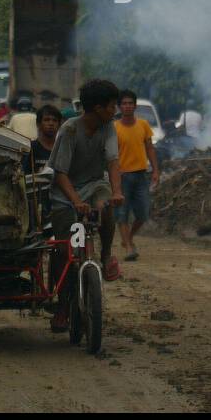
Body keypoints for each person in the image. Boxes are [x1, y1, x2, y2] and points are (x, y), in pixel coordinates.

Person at [47, 79, 125, 332]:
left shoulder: (108, 127)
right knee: (65, 252)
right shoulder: (69, 130)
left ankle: (105, 254)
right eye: (112, 106)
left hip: (94, 185)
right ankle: (62, 307)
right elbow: (60, 173)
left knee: (106, 205)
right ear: (98, 108)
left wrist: (117, 191)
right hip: (66, 192)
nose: (115, 111)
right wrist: (76, 201)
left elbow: (113, 161)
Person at [113, 89, 159, 262]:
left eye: (130, 103)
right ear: (119, 107)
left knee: (143, 213)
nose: (127, 106)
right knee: (122, 213)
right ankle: (128, 247)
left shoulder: (143, 125)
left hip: (141, 175)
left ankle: (129, 238)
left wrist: (155, 170)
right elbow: (110, 154)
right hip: (122, 176)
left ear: (135, 105)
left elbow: (150, 148)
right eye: (124, 103)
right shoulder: (114, 128)